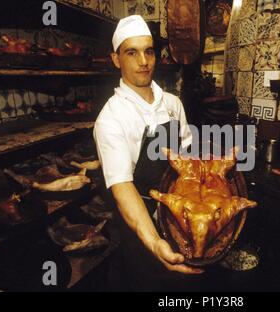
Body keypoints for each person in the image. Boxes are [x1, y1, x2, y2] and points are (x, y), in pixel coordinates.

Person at [93, 15, 203, 291]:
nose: (143, 61)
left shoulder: (173, 103)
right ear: (116, 59)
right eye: (132, 52)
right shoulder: (112, 118)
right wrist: (154, 241)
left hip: (180, 214)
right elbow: (122, 187)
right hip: (142, 224)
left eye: (149, 51)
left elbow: (187, 153)